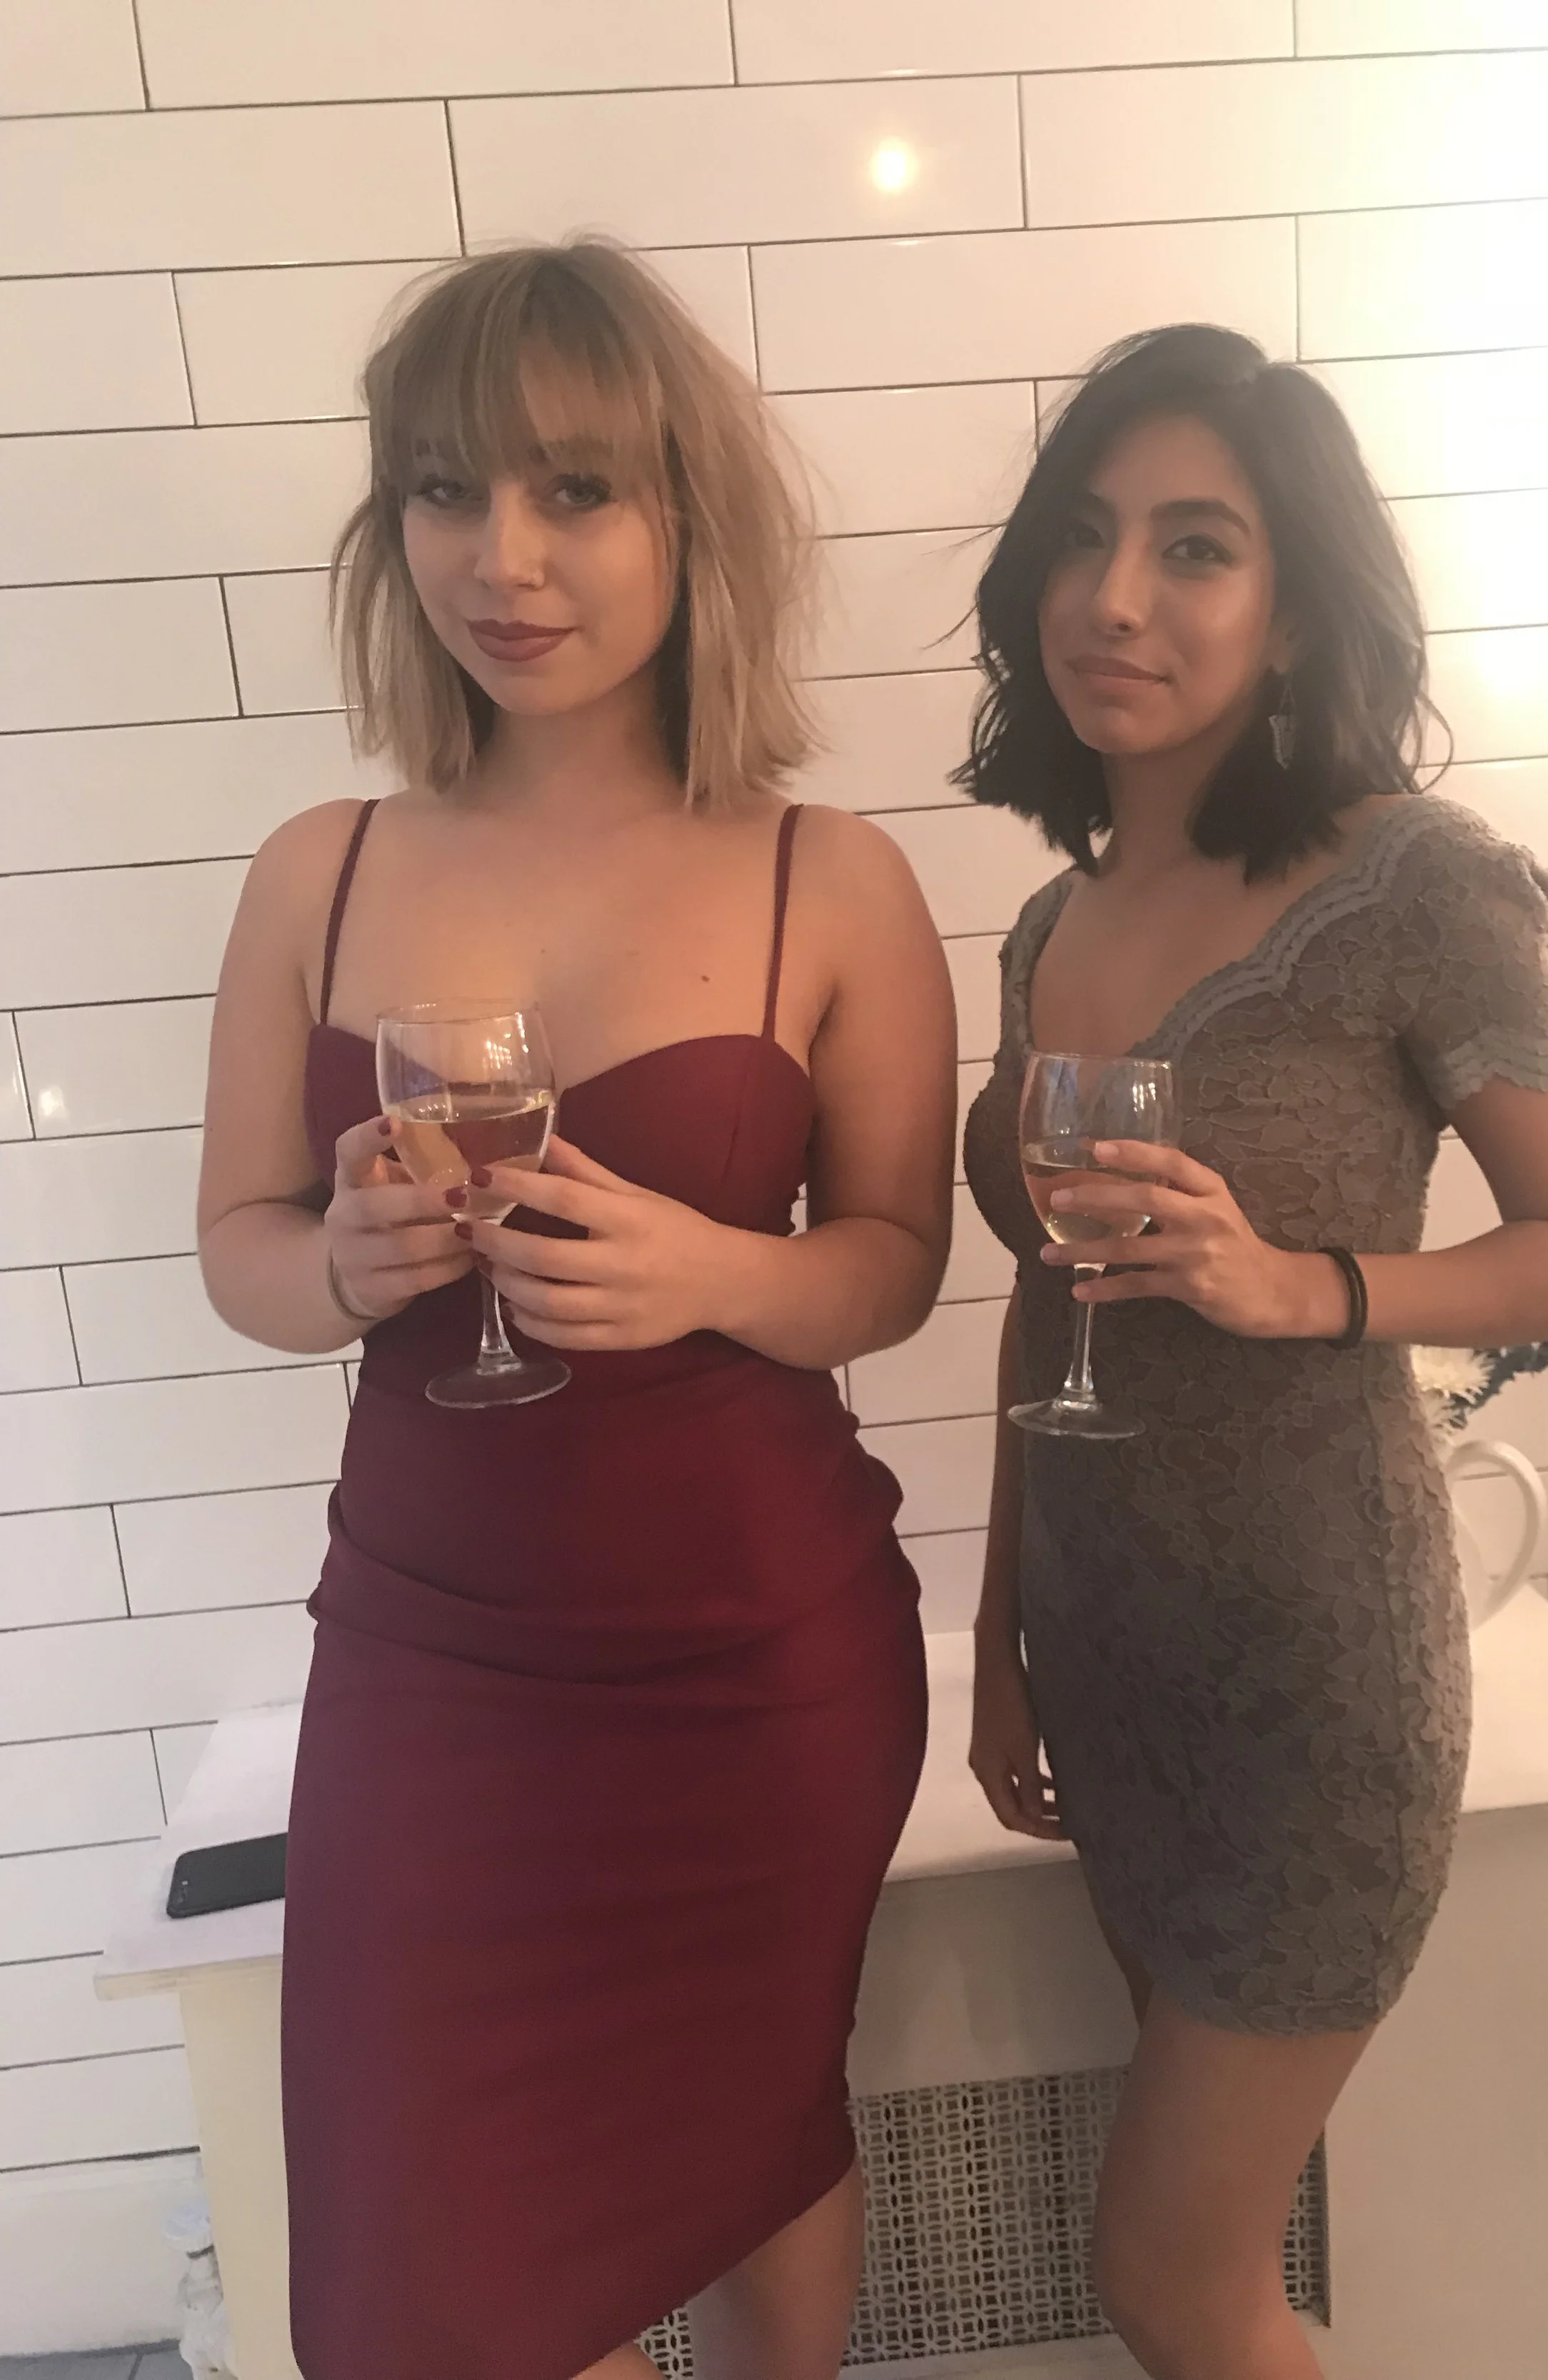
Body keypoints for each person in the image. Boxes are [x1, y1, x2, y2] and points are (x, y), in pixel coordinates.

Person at [196, 240, 953, 2380]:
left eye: (575, 491)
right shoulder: (316, 867)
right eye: (445, 490)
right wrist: (336, 1265)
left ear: (691, 520)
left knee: (751, 2128)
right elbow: (239, 1244)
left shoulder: (836, 877)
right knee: (422, 2281)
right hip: (432, 1660)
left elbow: (895, 1261)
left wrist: (713, 1272)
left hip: (756, 1660)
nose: (501, 557)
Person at [958, 326, 1548, 2380]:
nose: (1117, 597)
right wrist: (996, 1632)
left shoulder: (1409, 884)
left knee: (1171, 2280)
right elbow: (1037, 1295)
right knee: (1210, 2260)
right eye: (1084, 539)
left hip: (1312, 1685)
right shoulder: (1048, 921)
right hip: (1112, 1656)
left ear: (1289, 601)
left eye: (1194, 546)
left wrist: (1303, 1284)